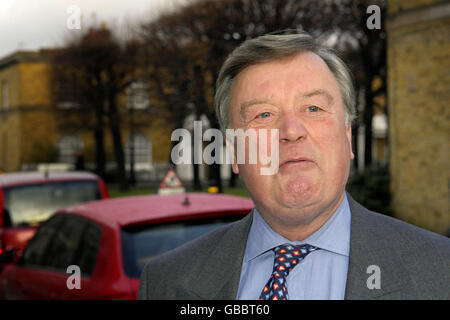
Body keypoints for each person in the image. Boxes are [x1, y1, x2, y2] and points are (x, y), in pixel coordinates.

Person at [138, 32, 449, 300]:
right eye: (263, 115)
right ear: (234, 151)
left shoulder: (440, 271)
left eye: (313, 108)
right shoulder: (165, 282)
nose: (291, 131)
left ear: (347, 136)